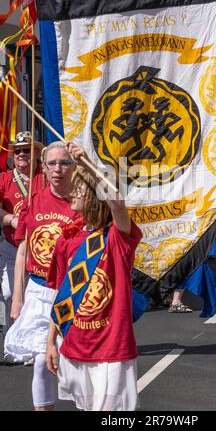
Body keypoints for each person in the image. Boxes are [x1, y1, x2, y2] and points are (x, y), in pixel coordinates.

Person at [46, 143, 142, 411]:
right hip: (75, 342)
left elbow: (117, 203)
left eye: (79, 188)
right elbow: (61, 293)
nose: (72, 192)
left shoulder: (117, 237)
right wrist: (50, 341)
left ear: (93, 194)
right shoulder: (68, 238)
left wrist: (87, 163)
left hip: (112, 348)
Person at [4, 141, 77, 411]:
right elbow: (22, 251)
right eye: (52, 164)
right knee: (40, 363)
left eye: (65, 163)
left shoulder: (85, 203)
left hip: (73, 293)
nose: (58, 169)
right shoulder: (33, 202)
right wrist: (17, 299)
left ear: (74, 166)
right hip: (38, 291)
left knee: (75, 363)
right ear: (43, 168)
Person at [0, 131, 43, 339]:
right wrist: (10, 219)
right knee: (9, 294)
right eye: (17, 151)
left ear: (36, 153)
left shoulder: (46, 177)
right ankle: (12, 341)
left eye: (26, 150)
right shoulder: (5, 179)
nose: (21, 154)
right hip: (12, 246)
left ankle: (35, 343)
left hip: (40, 250)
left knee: (35, 295)